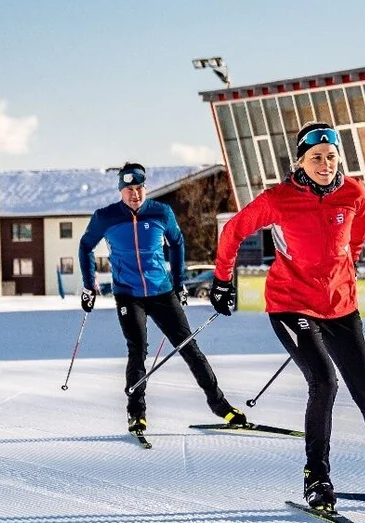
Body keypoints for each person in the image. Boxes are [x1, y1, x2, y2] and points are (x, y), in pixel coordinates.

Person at [207, 123, 365, 512]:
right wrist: (222, 281)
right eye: (316, 157)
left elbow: (355, 240)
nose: (325, 163)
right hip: (290, 303)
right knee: (324, 382)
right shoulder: (278, 199)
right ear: (300, 160)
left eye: (331, 157)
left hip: (340, 306)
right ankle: (316, 478)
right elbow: (233, 231)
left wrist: (343, 269)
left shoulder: (354, 194)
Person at [79, 162, 247, 436]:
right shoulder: (105, 217)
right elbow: (86, 246)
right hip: (128, 295)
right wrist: (89, 286)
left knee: (189, 348)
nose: (135, 194)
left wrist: (180, 283)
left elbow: (178, 242)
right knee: (138, 351)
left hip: (162, 292)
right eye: (129, 189)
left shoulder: (160, 212)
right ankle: (137, 414)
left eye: (140, 188)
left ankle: (221, 406)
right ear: (121, 190)